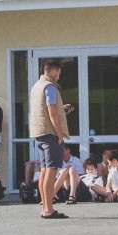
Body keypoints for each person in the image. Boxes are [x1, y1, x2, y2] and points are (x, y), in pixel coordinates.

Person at [29, 59, 71, 220]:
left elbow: (44, 110)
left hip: (39, 133)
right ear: (53, 71)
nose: (59, 75)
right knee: (51, 170)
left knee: (45, 170)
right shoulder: (50, 87)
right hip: (50, 134)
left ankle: (45, 207)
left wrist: (62, 109)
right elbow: (52, 112)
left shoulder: (36, 86)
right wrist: (59, 134)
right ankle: (48, 209)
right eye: (59, 72)